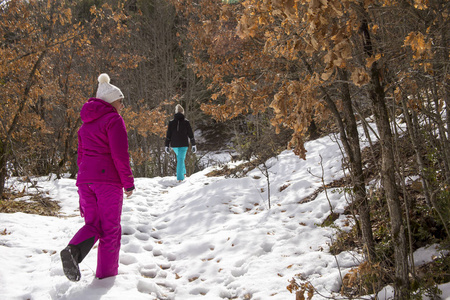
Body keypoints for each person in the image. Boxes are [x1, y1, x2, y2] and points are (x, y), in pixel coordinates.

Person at [60, 73, 135, 282]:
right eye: (121, 101)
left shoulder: (85, 126)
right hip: (107, 183)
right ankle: (106, 278)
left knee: (93, 225)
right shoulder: (114, 120)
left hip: (86, 182)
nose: (122, 106)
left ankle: (73, 250)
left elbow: (81, 158)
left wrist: (83, 185)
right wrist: (128, 183)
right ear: (112, 101)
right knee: (110, 230)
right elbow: (119, 155)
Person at [165, 104, 196, 182]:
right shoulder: (186, 122)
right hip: (183, 144)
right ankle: (180, 178)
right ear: (183, 112)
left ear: (175, 113)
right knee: (180, 159)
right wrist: (193, 144)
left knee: (180, 159)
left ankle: (184, 172)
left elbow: (168, 135)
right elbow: (190, 134)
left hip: (174, 145)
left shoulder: (171, 122)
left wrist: (166, 145)